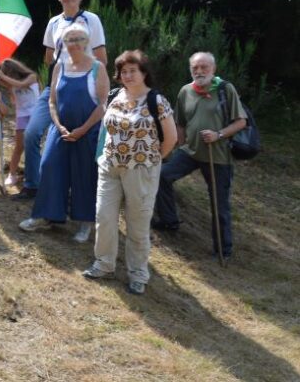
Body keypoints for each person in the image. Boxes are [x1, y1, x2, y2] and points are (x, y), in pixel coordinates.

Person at [83, 50, 177, 295]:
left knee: (137, 225)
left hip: (141, 171)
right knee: (104, 218)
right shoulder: (115, 96)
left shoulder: (156, 100)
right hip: (110, 167)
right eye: (123, 71)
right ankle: (103, 264)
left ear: (144, 72)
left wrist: (152, 160)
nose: (127, 75)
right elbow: (107, 130)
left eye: (132, 70)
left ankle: (138, 274)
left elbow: (171, 138)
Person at [17, 0, 107, 200]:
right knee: (32, 133)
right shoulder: (54, 22)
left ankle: (72, 195)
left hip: (83, 86)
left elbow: (102, 57)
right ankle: (32, 185)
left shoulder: (91, 20)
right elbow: (48, 57)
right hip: (56, 85)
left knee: (77, 139)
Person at [152, 52, 247, 259]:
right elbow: (180, 122)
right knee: (161, 175)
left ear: (213, 69)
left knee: (218, 204)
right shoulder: (186, 91)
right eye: (195, 68)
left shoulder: (224, 89)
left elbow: (241, 122)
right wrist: (178, 142)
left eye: (204, 67)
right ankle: (169, 220)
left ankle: (224, 249)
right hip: (190, 152)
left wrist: (218, 134)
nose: (199, 71)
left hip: (218, 157)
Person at [19, 23, 108, 241]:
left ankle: (85, 222)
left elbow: (103, 105)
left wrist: (82, 129)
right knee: (49, 166)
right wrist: (58, 126)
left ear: (86, 42)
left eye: (78, 39)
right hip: (61, 129)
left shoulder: (97, 68)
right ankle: (47, 215)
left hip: (88, 131)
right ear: (63, 44)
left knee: (85, 175)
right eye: (69, 40)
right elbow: (51, 101)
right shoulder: (59, 66)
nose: (74, 44)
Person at [0, 58, 41, 190]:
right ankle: (12, 174)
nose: (7, 78)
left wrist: (3, 76)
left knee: (32, 146)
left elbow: (21, 85)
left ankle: (34, 173)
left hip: (35, 114)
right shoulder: (11, 83)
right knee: (19, 146)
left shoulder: (31, 77)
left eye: (8, 74)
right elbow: (1, 82)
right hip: (21, 115)